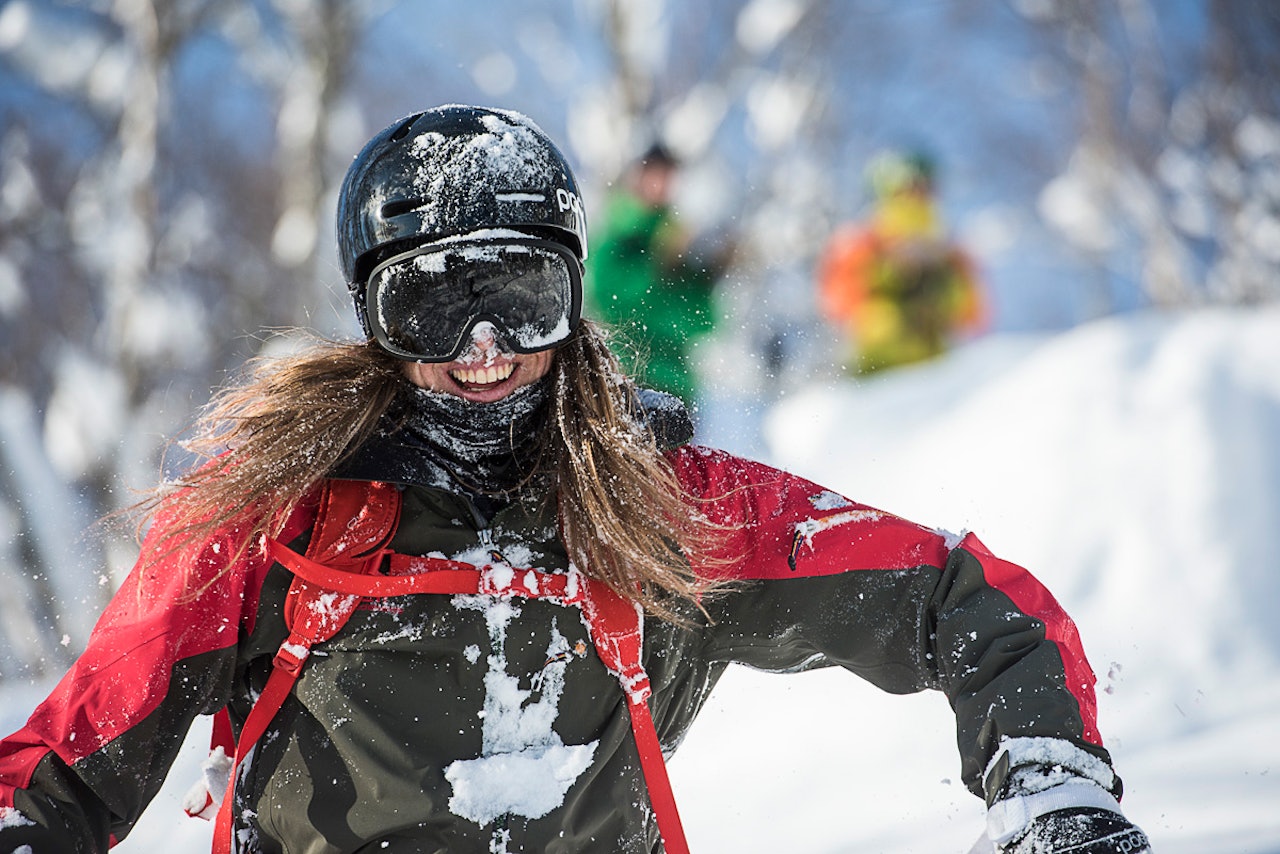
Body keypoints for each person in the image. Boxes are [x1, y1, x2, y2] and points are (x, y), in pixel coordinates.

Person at [0, 105, 1149, 854]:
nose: (485, 345)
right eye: (434, 303)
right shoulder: (271, 522)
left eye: (521, 294)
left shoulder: (660, 511)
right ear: (372, 320)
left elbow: (949, 591)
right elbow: (69, 760)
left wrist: (1048, 782)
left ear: (573, 297)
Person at [818, 148, 987, 375]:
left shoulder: (948, 250)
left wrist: (940, 281)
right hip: (876, 372)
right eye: (908, 189)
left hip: (936, 372)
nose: (917, 197)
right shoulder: (861, 242)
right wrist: (889, 271)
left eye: (924, 188)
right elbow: (837, 302)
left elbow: (973, 313)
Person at [584, 142, 722, 411]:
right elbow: (609, 296)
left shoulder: (678, 237)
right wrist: (658, 271)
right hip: (627, 380)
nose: (660, 186)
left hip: (676, 386)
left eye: (667, 177)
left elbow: (705, 320)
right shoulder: (618, 231)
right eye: (654, 176)